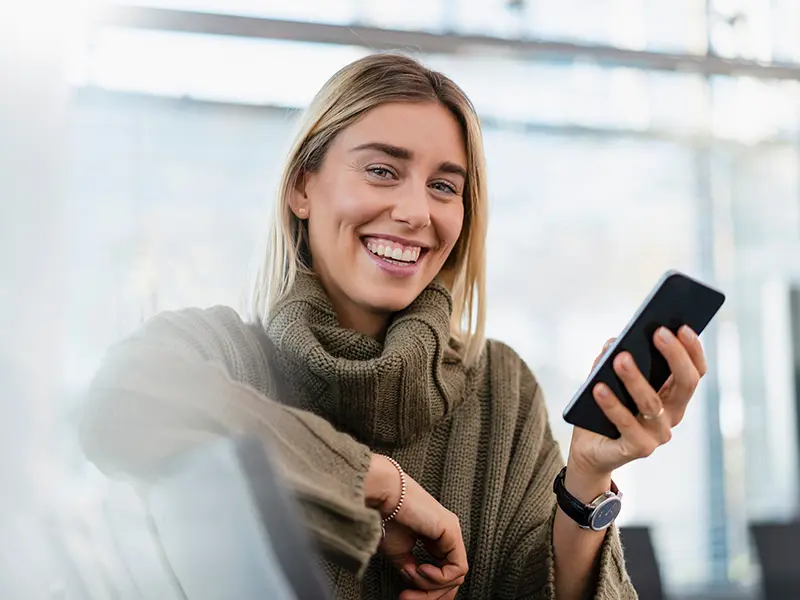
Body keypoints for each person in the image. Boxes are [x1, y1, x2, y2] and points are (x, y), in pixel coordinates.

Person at [79, 53, 708, 600]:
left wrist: (587, 480)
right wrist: (377, 483)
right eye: (382, 170)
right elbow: (118, 401)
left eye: (443, 185)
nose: (414, 212)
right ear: (303, 186)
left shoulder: (502, 388)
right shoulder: (219, 354)